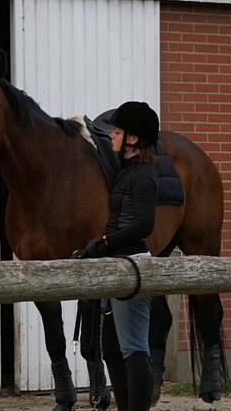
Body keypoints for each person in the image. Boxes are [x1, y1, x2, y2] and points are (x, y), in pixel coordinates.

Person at [73, 101, 159, 411]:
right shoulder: (128, 173)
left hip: (133, 266)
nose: (112, 136)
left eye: (118, 132)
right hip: (117, 267)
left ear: (133, 140)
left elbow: (144, 224)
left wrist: (105, 242)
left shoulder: (144, 176)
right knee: (110, 346)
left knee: (133, 348)